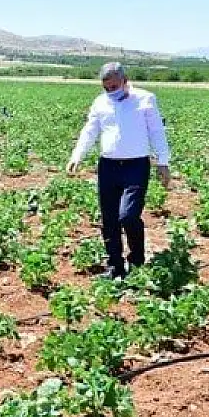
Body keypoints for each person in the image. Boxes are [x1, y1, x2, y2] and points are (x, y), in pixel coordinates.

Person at [67, 62, 172, 279]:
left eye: (114, 86)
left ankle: (136, 261)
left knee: (128, 216)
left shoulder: (145, 99)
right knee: (109, 218)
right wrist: (77, 155)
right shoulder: (100, 103)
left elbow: (156, 132)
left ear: (125, 81)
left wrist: (163, 162)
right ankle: (115, 265)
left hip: (136, 165)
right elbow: (90, 131)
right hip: (108, 165)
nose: (110, 91)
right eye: (106, 88)